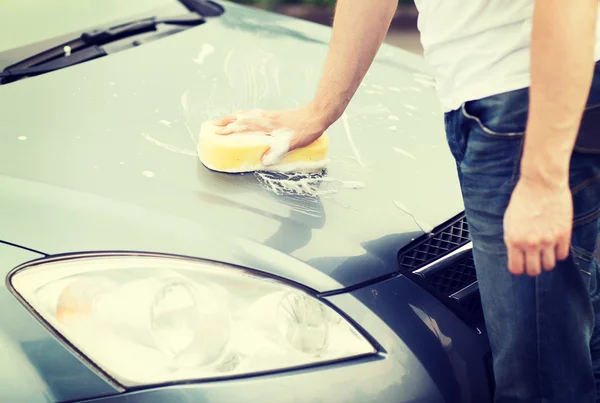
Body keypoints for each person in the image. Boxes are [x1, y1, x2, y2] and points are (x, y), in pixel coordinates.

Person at [214, 1, 600, 401]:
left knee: (539, 383)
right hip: (512, 102)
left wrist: (541, 176)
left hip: (527, 106)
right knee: (579, 338)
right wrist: (320, 111)